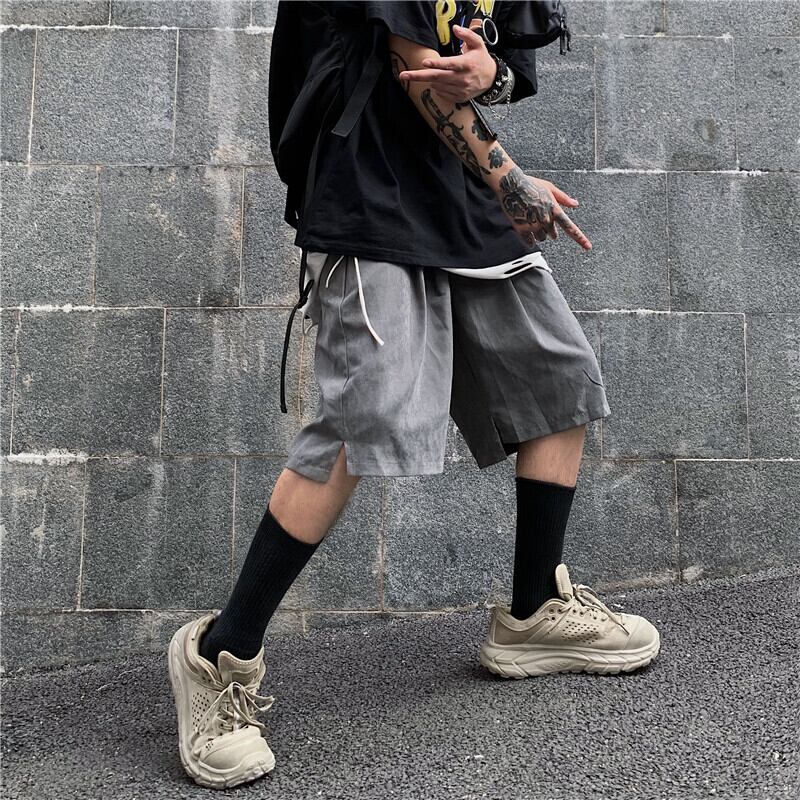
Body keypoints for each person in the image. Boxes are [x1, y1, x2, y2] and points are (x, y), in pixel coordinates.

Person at [167, 1, 661, 789]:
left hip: (457, 192)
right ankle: (220, 654)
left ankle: (533, 612)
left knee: (560, 379)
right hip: (369, 190)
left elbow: (503, 70)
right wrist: (513, 182)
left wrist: (488, 75)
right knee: (363, 419)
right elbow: (412, 64)